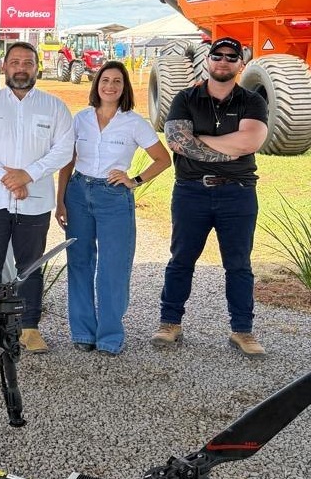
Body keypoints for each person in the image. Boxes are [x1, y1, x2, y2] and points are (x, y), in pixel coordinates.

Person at [151, 37, 269, 355]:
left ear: (241, 64)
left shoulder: (252, 101)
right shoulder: (185, 98)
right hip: (191, 191)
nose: (223, 61)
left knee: (239, 264)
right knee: (181, 260)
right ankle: (169, 323)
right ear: (208, 60)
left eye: (231, 57)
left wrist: (199, 139)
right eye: (218, 55)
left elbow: (250, 142)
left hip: (238, 193)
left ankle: (242, 331)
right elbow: (177, 141)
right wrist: (230, 146)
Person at [56, 61, 171, 355]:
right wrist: (60, 200)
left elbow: (163, 159)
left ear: (124, 87)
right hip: (78, 193)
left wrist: (134, 180)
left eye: (117, 81)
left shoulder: (134, 122)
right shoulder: (81, 119)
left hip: (113, 197)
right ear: (97, 85)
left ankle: (109, 335)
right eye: (105, 80)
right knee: (79, 263)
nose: (110, 86)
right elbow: (68, 160)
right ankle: (83, 332)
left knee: (113, 267)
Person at [0, 41, 74, 353]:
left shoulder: (54, 107)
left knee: (30, 266)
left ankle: (29, 328)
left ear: (37, 68)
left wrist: (28, 175)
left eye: (28, 63)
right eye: (15, 62)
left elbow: (64, 150)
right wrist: (10, 180)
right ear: (4, 67)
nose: (21, 68)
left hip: (35, 201)